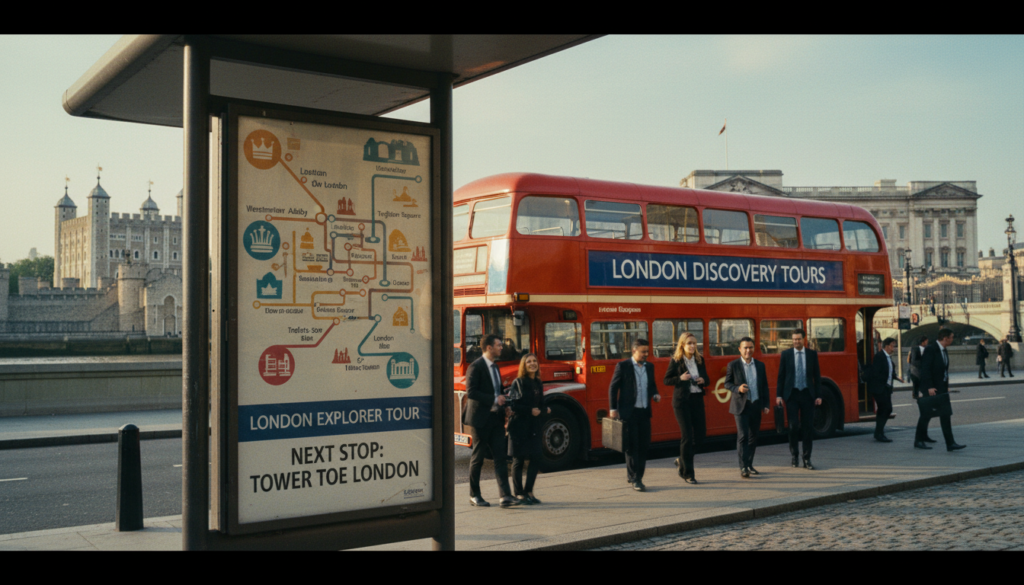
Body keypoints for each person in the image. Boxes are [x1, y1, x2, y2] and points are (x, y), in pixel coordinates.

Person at [463, 334, 519, 508]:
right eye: (498, 345)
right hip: (480, 419)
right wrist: (495, 399)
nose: (501, 347)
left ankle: (505, 496)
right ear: (489, 347)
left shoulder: (495, 367)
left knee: (500, 457)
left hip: (495, 418)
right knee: (478, 457)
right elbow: (471, 392)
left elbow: (499, 390)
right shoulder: (475, 367)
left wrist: (505, 406)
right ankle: (474, 495)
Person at [608, 338, 661, 492]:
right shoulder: (623, 366)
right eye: (643, 352)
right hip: (629, 413)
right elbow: (613, 387)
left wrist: (655, 394)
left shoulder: (649, 367)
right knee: (632, 447)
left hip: (644, 412)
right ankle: (635, 479)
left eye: (647, 352)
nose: (646, 354)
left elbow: (652, 385)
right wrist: (613, 408)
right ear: (634, 350)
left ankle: (636, 476)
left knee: (644, 446)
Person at [664, 332, 708, 484]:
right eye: (689, 343)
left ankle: (682, 460)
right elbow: (666, 380)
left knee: (701, 436)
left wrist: (703, 380)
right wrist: (680, 379)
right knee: (687, 437)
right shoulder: (676, 360)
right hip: (682, 402)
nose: (692, 346)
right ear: (682, 345)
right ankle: (688, 474)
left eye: (694, 343)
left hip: (697, 400)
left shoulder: (699, 359)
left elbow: (706, 378)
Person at [505, 353, 550, 505]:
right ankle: (519, 494)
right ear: (523, 366)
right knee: (518, 460)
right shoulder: (519, 382)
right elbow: (513, 405)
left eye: (534, 361)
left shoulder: (538, 382)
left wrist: (545, 409)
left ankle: (529, 491)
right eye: (529, 362)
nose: (532, 364)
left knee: (536, 457)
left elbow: (541, 403)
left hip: (533, 426)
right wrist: (530, 410)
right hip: (519, 426)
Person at [724, 337, 770, 478]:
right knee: (743, 436)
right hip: (741, 406)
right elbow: (727, 384)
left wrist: (766, 404)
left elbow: (764, 386)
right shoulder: (733, 365)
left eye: (750, 347)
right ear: (740, 349)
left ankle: (749, 464)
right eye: (745, 348)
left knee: (753, 437)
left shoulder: (760, 365)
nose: (748, 350)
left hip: (755, 405)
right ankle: (743, 467)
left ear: (753, 348)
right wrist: (738, 388)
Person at [915, 327, 966, 452]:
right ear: (945, 338)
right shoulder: (931, 349)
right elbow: (925, 369)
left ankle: (950, 443)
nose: (952, 340)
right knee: (926, 415)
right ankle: (918, 440)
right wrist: (929, 387)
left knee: (946, 414)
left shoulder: (944, 350)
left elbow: (943, 370)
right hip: (931, 388)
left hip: (941, 388)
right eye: (951, 337)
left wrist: (945, 384)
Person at [776, 330, 822, 469]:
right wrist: (779, 395)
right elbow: (781, 377)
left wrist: (818, 395)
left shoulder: (812, 354)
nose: (796, 342)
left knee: (808, 428)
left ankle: (807, 459)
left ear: (804, 339)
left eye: (799, 339)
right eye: (794, 339)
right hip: (792, 395)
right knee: (793, 426)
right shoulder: (786, 354)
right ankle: (794, 456)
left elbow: (817, 376)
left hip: (808, 395)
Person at [868, 337, 903, 442]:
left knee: (883, 410)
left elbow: (889, 371)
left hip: (886, 388)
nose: (894, 348)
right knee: (887, 409)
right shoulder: (879, 356)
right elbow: (876, 373)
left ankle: (879, 432)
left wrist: (896, 377)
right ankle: (879, 433)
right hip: (880, 388)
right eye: (893, 345)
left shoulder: (888, 357)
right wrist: (883, 383)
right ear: (887, 346)